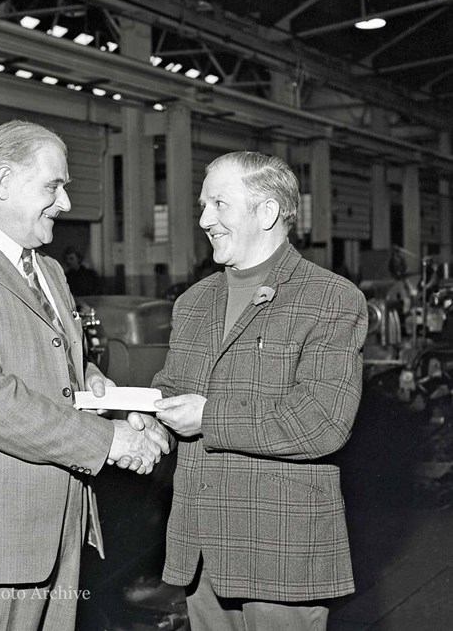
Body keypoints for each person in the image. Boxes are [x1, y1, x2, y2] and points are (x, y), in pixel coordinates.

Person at [0, 120, 170, 631]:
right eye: (54, 185)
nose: (66, 203)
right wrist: (109, 441)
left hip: (62, 526)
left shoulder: (49, 271)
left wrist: (101, 392)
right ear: (3, 181)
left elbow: (59, 365)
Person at [144, 151, 368, 631]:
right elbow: (174, 387)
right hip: (200, 548)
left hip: (279, 550)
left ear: (267, 212)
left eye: (219, 205)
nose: (205, 220)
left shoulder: (331, 299)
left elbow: (323, 422)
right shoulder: (193, 302)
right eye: (203, 206)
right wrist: (144, 418)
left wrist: (209, 418)